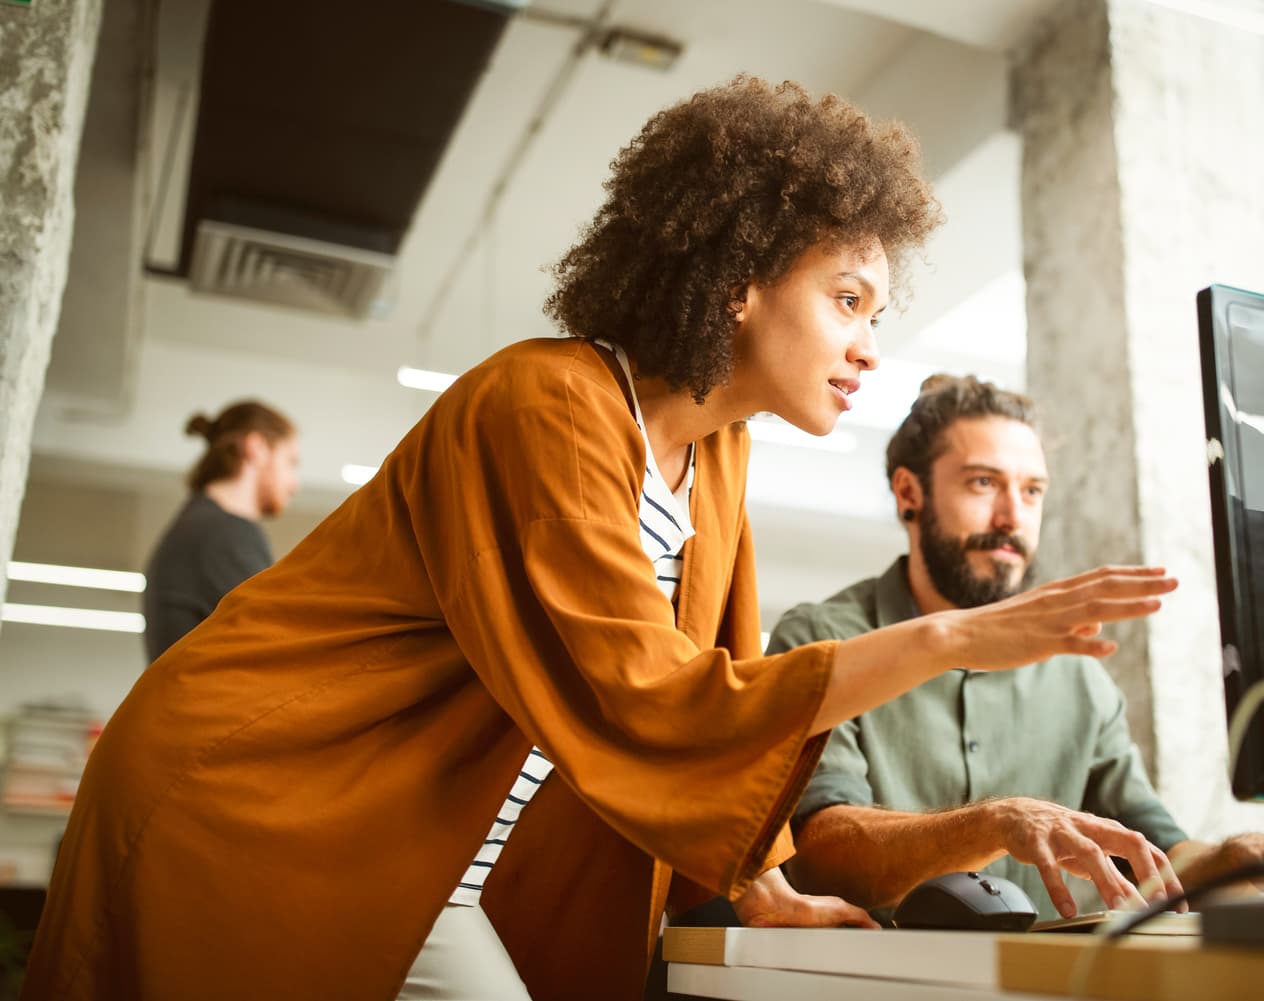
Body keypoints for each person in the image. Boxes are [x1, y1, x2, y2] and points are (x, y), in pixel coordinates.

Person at [22, 78, 1179, 1001]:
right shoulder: (548, 405)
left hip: (420, 852)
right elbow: (654, 696)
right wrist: (955, 635)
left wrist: (765, 889)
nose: (869, 345)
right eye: (848, 299)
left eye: (877, 313)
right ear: (738, 280)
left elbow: (720, 711)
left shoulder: (715, 455)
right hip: (262, 798)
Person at [772, 375, 1264, 922]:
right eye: (983, 484)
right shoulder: (822, 641)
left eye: (1031, 491)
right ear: (910, 493)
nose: (1012, 518)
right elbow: (821, 855)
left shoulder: (1078, 672)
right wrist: (994, 823)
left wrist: (1229, 861)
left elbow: (1155, 848)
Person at [141, 401, 301, 662]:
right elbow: (275, 647)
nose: (294, 485)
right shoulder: (224, 532)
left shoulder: (201, 525)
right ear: (256, 448)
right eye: (291, 462)